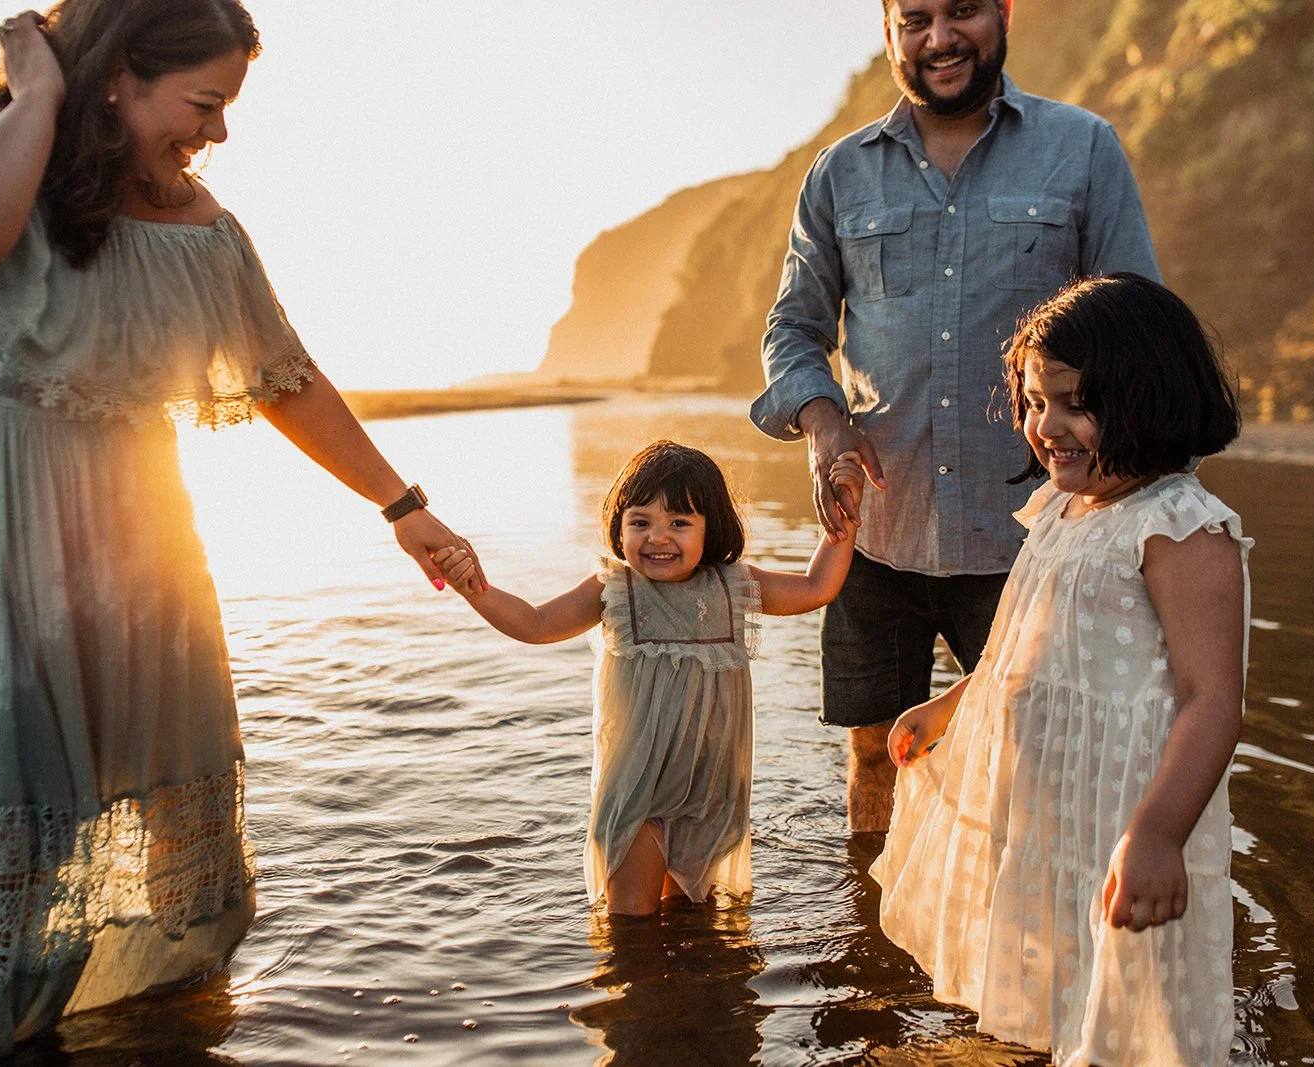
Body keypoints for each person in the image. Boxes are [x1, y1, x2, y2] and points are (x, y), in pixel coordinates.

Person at [0, 3, 482, 1062]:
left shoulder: (201, 225)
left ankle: (122, 1028)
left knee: (120, 798)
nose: (217, 133)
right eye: (205, 103)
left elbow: (287, 376)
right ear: (119, 73)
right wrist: (41, 94)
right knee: (0, 797)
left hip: (142, 555)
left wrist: (404, 508)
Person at [749, 0, 1162, 832]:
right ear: (890, 30)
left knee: (1042, 765)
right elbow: (793, 330)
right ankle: (878, 950)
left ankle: (1018, 950)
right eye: (916, 19)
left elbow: (1136, 324)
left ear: (1003, 12)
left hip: (1033, 539)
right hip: (874, 536)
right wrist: (827, 427)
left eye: (963, 11)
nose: (940, 38)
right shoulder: (839, 173)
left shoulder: (1081, 149)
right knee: (875, 756)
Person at [870, 274, 1248, 1064]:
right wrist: (950, 705)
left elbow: (1212, 700)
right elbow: (1021, 643)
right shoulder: (1060, 506)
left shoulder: (1178, 526)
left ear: (1149, 396)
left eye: (1073, 402)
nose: (1047, 427)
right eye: (1035, 401)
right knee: (1047, 968)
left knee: (1129, 995)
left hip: (1125, 808)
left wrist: (1157, 834)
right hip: (1052, 804)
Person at [433, 441, 864, 916]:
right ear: (619, 529)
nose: (658, 537)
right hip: (638, 793)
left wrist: (843, 516)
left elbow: (816, 588)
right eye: (641, 522)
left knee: (694, 922)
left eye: (679, 523)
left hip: (709, 795)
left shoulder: (733, 585)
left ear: (711, 527)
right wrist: (473, 586)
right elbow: (534, 624)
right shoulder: (614, 589)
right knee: (631, 925)